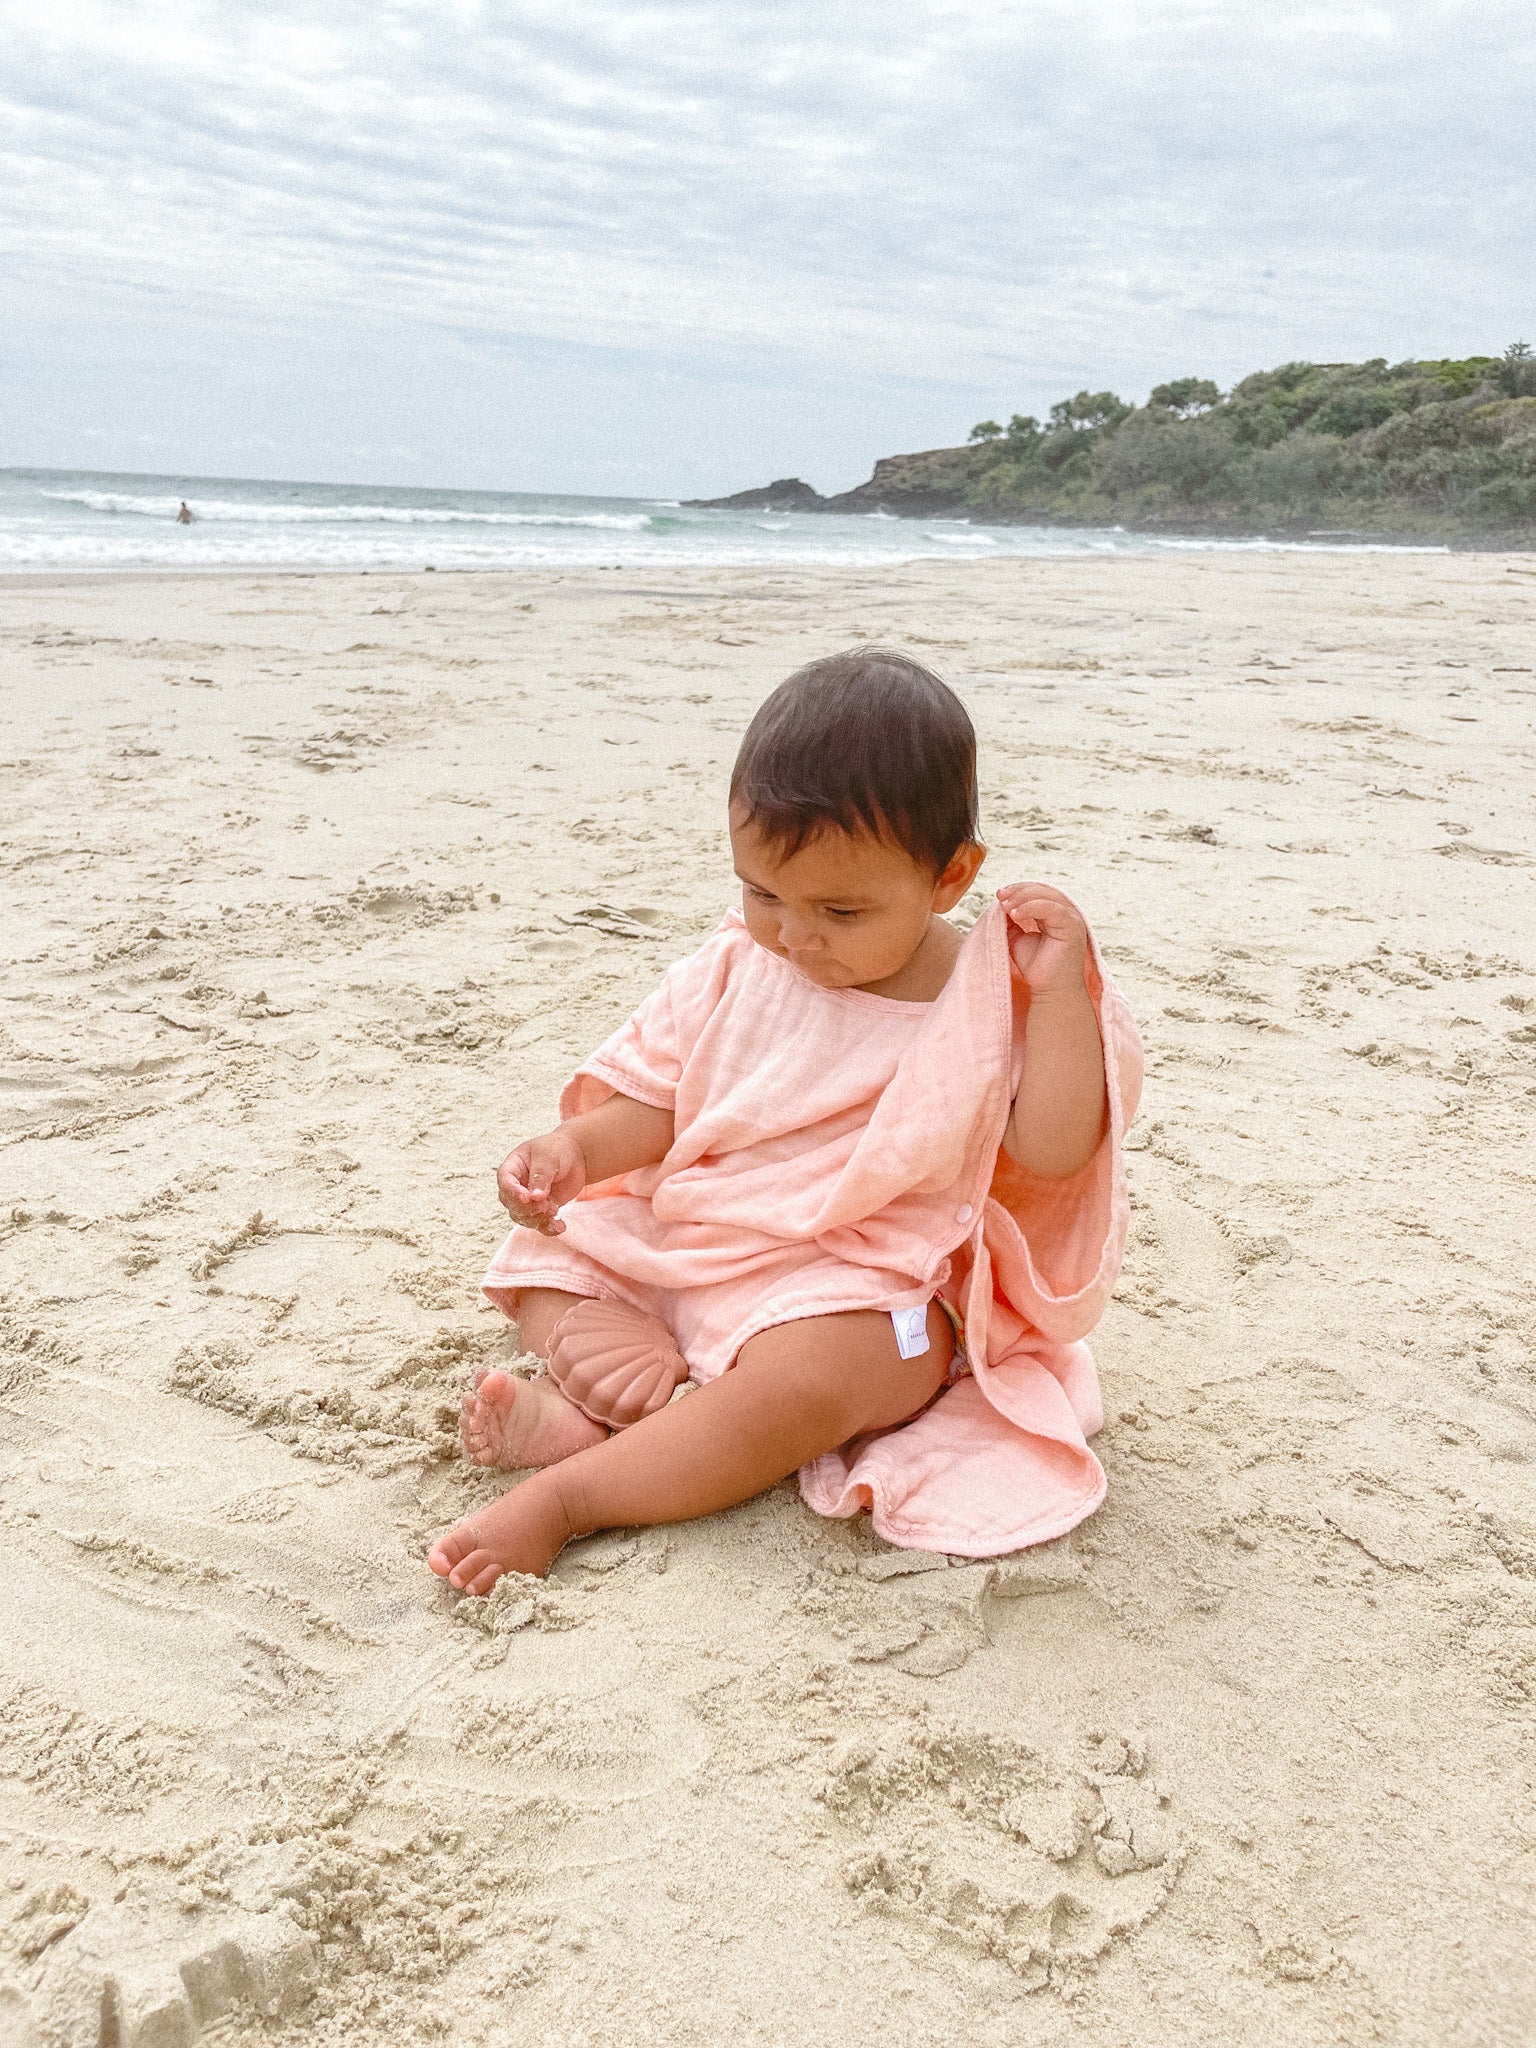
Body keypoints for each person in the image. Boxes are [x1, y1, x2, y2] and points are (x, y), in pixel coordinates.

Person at [428, 650, 1142, 1594]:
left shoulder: (988, 1002)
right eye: (763, 893)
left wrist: (1058, 999)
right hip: (707, 1237)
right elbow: (659, 1100)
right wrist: (572, 1151)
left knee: (826, 1376)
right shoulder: (739, 961)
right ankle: (606, 1393)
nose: (795, 936)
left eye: (840, 910)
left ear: (950, 877)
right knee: (554, 1254)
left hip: (860, 1276)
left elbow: (1055, 1150)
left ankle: (574, 1493)